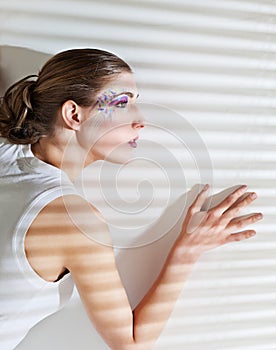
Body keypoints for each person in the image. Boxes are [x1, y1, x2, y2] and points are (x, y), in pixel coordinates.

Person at [0, 48, 263, 350]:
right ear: (74, 114)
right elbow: (131, 342)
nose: (141, 121)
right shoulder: (72, 221)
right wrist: (187, 251)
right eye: (123, 103)